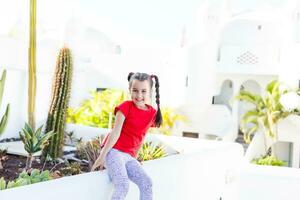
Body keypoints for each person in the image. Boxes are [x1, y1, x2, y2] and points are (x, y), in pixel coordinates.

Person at [91, 72, 162, 200]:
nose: (139, 95)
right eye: (135, 90)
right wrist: (102, 157)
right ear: (130, 90)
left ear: (150, 92)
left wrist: (135, 156)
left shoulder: (151, 113)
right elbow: (115, 133)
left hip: (129, 157)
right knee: (123, 184)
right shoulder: (125, 107)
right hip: (113, 152)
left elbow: (141, 136)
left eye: (143, 91)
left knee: (147, 183)